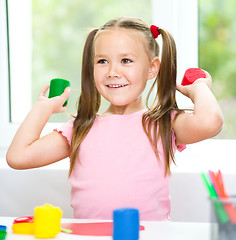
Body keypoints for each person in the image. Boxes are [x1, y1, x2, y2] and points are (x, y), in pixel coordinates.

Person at [6, 17, 223, 221]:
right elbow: (18, 157)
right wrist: (43, 108)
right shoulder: (81, 128)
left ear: (152, 68)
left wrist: (199, 89)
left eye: (126, 60)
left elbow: (210, 122)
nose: (112, 71)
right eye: (102, 61)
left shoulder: (163, 124)